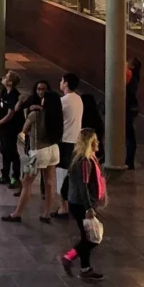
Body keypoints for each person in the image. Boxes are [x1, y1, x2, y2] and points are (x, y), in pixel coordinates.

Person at [4, 83, 61, 222]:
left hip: (39, 151)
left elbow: (23, 131)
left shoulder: (35, 114)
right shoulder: (57, 115)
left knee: (26, 182)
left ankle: (17, 213)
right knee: (49, 182)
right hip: (53, 149)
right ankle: (46, 213)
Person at [59, 128, 106, 281]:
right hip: (81, 204)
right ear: (90, 143)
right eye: (95, 141)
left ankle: (85, 268)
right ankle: (69, 257)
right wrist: (89, 208)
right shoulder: (84, 162)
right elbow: (82, 186)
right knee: (91, 238)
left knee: (87, 236)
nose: (98, 143)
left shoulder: (84, 158)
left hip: (79, 202)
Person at [54, 73, 84, 217]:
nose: (60, 82)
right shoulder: (78, 99)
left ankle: (63, 206)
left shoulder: (63, 101)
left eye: (61, 80)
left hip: (65, 141)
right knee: (71, 174)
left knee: (61, 173)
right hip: (76, 141)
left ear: (66, 83)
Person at [0, 70, 24, 187]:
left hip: (11, 127)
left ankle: (15, 177)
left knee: (11, 151)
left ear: (10, 82)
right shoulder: (4, 91)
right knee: (4, 150)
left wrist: (0, 123)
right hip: (3, 126)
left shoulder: (14, 95)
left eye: (6, 77)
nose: (3, 77)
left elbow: (10, 114)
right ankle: (4, 174)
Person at [124, 57, 142, 170]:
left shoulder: (128, 73)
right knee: (128, 133)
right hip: (132, 106)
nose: (126, 62)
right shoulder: (135, 76)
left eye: (128, 62)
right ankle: (129, 160)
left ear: (132, 66)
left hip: (126, 107)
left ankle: (129, 160)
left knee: (129, 135)